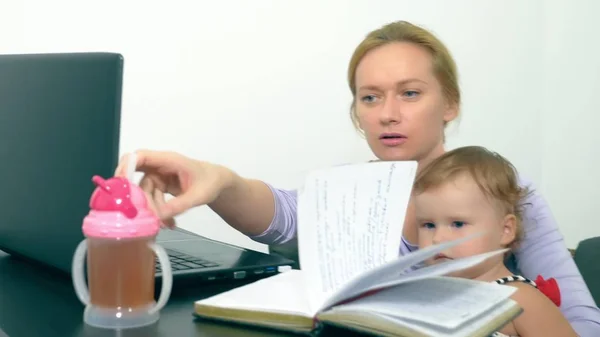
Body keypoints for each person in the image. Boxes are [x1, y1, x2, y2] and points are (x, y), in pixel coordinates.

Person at [115, 20, 600, 334]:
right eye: (370, 97)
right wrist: (218, 180)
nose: (388, 114)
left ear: (450, 104)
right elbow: (282, 216)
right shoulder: (350, 194)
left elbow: (581, 323)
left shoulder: (503, 191)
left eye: (409, 93)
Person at [413, 145, 577, 337]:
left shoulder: (518, 298)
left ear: (505, 230)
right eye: (428, 225)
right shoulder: (429, 297)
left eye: (457, 224)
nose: (438, 238)